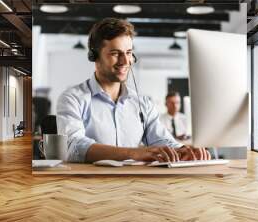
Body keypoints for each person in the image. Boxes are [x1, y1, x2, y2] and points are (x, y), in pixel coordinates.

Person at [56, 18, 210, 163]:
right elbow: (74, 146)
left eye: (129, 53)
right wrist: (134, 153)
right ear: (94, 56)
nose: (125, 61)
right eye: (115, 54)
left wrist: (183, 150)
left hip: (135, 186)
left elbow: (161, 139)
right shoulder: (72, 98)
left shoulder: (142, 103)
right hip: (89, 187)